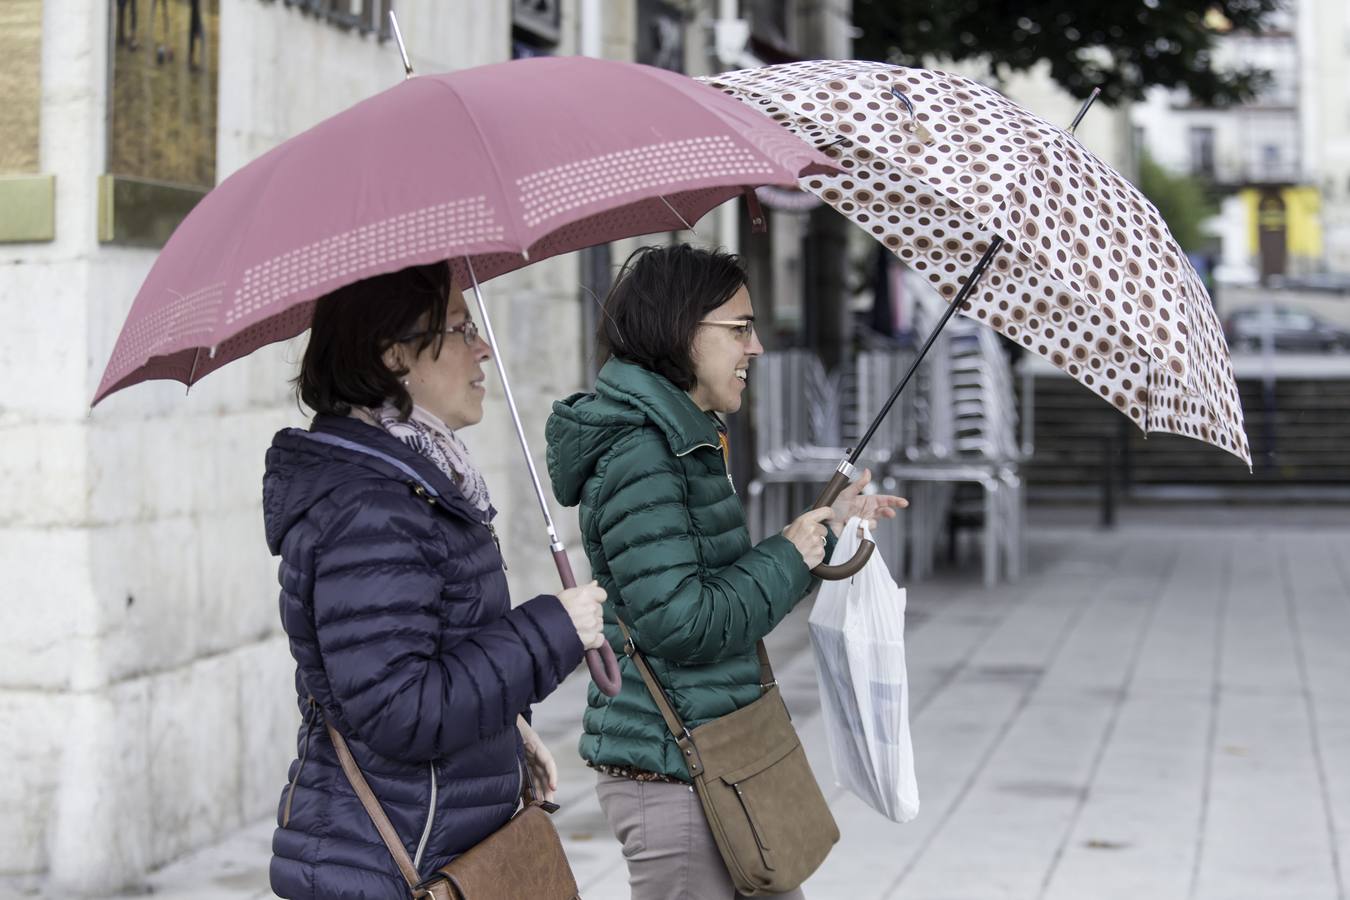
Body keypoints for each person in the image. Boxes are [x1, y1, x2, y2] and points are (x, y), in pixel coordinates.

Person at [545, 245, 906, 899]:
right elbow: (684, 621)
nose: (757, 347)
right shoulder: (642, 455)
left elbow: (705, 577)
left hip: (715, 758)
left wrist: (824, 524)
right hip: (675, 776)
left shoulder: (679, 438)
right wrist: (788, 556)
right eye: (739, 328)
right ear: (681, 331)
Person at [264, 261, 607, 899]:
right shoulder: (370, 509)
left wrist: (504, 729)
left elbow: (435, 651)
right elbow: (399, 708)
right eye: (459, 327)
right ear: (395, 356)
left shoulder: (419, 480)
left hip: (433, 842)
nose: (481, 347)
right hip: (383, 867)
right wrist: (553, 630)